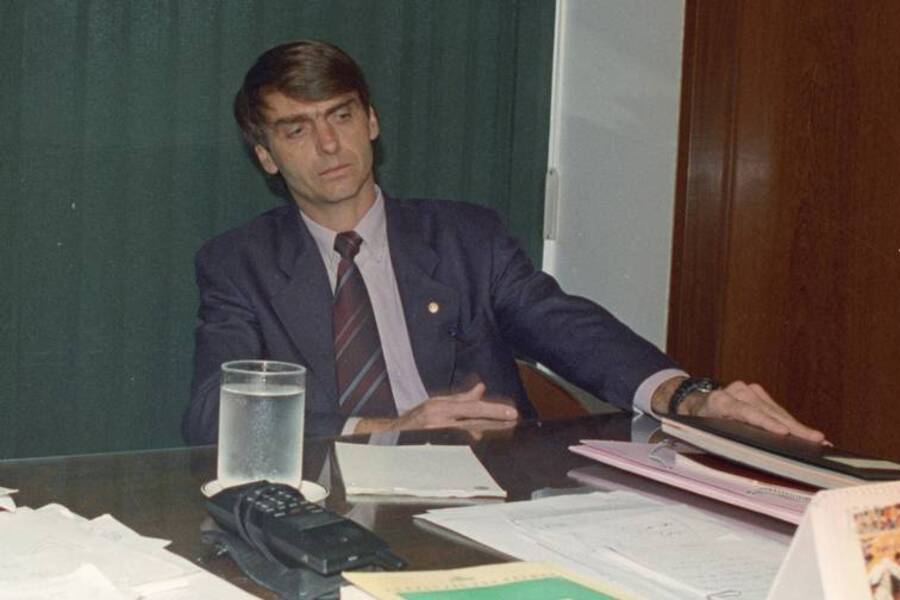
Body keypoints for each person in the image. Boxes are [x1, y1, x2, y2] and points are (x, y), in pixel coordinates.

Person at [182, 40, 824, 446]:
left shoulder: (467, 237)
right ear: (266, 156)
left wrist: (685, 393)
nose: (328, 145)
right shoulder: (239, 264)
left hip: (485, 490)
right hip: (328, 500)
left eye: (341, 116)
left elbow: (565, 327)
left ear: (371, 122)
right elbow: (215, 417)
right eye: (297, 130)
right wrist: (388, 428)